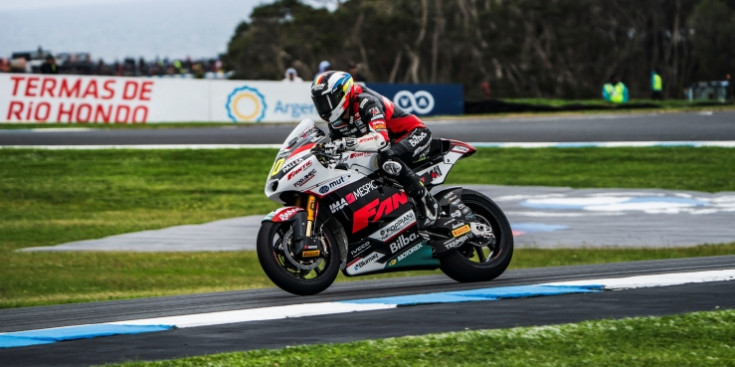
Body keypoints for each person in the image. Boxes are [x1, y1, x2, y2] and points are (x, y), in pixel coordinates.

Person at [310, 70, 439, 230]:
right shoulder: (336, 121)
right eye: (320, 102)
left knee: (387, 158)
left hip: (414, 134)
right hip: (391, 143)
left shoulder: (366, 101)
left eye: (328, 101)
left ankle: (426, 201)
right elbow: (340, 150)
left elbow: (380, 140)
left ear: (342, 94)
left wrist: (344, 144)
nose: (324, 107)